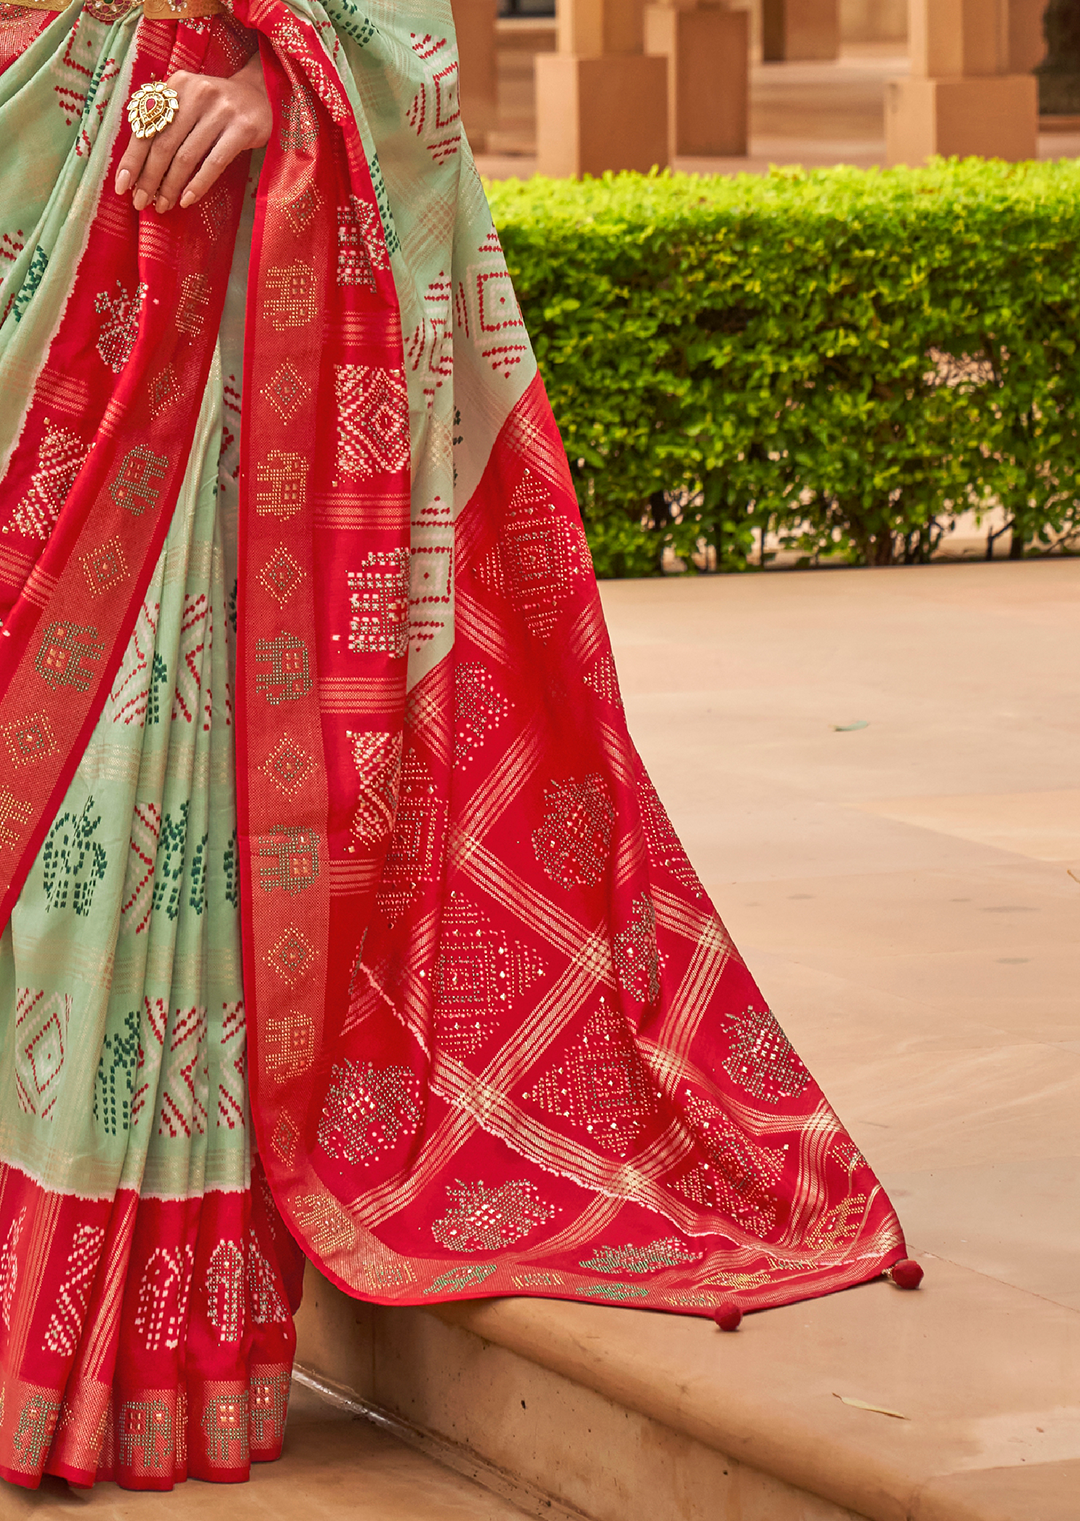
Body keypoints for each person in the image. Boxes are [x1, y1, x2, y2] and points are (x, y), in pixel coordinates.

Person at [0, 0, 911, 1492]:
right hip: (45, 170)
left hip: (212, 234)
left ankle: (122, 1346)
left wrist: (282, 80)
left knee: (142, 794)